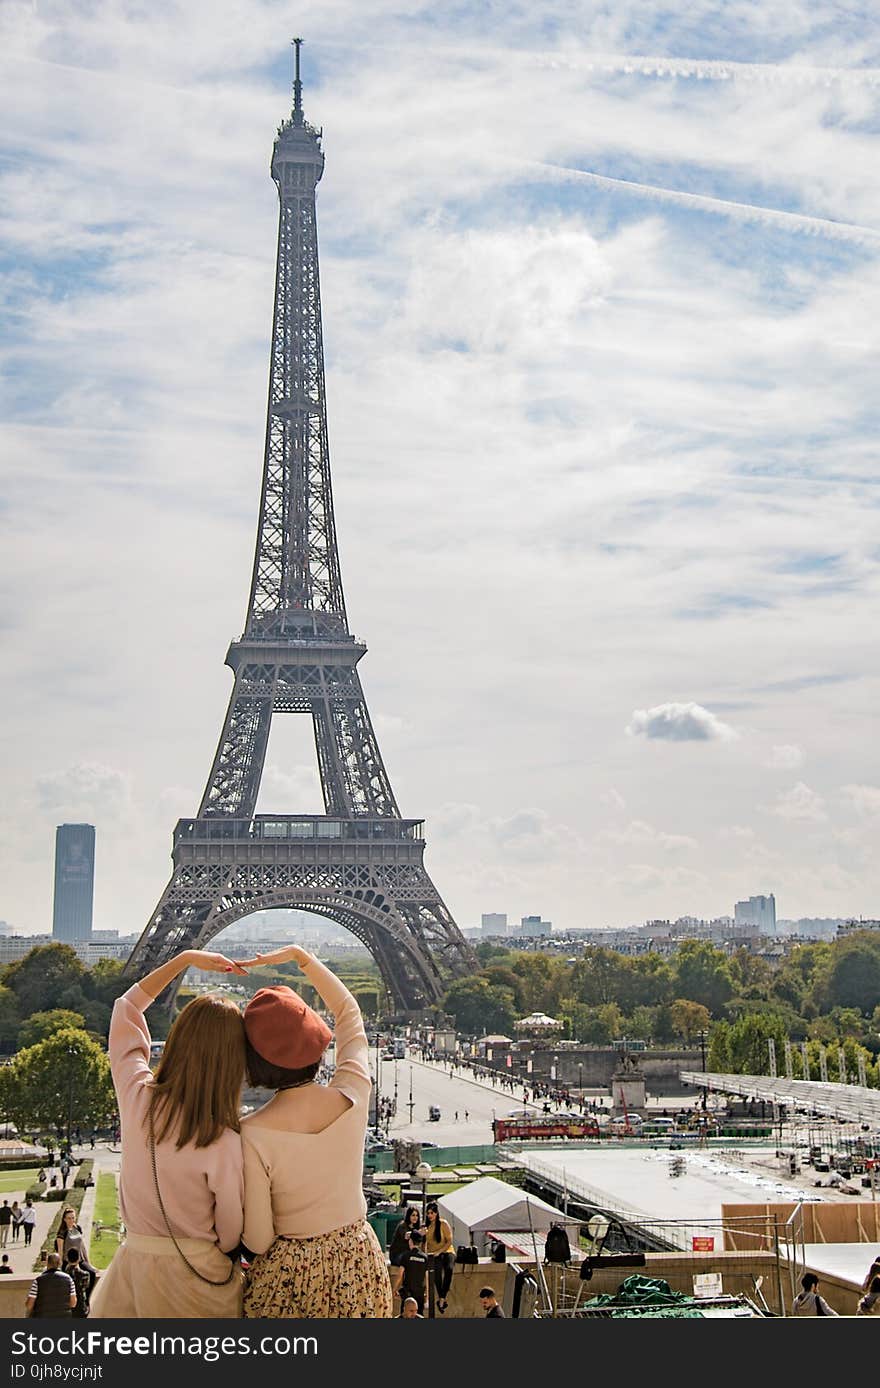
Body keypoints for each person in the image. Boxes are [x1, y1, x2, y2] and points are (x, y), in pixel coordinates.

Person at [89, 948, 248, 1319]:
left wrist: (184, 959)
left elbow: (126, 1008)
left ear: (177, 1041)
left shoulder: (137, 1098)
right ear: (233, 1062)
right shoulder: (223, 1142)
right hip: (199, 1278)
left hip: (135, 1270)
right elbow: (229, 1233)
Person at [239, 944, 393, 1319]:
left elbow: (258, 1239)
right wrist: (302, 958)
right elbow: (348, 1012)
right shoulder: (353, 1095)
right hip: (359, 1262)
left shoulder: (252, 1133)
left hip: (290, 1277)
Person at [55, 1207, 98, 1296]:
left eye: (73, 1218)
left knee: (92, 1273)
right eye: (69, 1218)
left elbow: (82, 1247)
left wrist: (89, 1263)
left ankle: (87, 1298)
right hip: (68, 1262)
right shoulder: (62, 1233)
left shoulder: (78, 1228)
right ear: (64, 1219)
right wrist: (60, 1266)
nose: (71, 1220)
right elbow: (60, 1251)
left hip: (80, 1260)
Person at [423, 1199, 455, 1313]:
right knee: (436, 1274)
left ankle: (442, 1298)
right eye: (428, 1213)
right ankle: (442, 1299)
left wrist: (441, 1251)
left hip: (447, 1251)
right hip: (434, 1255)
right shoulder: (427, 1227)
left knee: (449, 1269)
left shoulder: (443, 1223)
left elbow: (449, 1241)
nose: (430, 1215)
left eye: (432, 1213)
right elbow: (424, 1244)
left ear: (436, 1213)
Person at [26, 1252, 76, 1318]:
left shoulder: (38, 1280)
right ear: (60, 1264)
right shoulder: (69, 1279)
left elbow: (29, 1305)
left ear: (47, 1263)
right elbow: (73, 1303)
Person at [388, 1205, 421, 1296]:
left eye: (416, 1215)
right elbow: (406, 1235)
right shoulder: (402, 1226)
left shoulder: (416, 1228)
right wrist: (418, 1233)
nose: (415, 1218)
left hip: (408, 1254)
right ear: (408, 1216)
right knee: (409, 1261)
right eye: (413, 1215)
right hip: (397, 1255)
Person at [398, 1230, 429, 1316]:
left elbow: (400, 1275)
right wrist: (427, 1295)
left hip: (408, 1292)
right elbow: (427, 1278)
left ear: (410, 1241)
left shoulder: (406, 1256)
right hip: (420, 1293)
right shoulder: (425, 1258)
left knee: (405, 1315)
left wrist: (394, 1290)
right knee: (418, 1315)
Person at [64, 1248, 91, 1318]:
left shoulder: (64, 1275)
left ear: (67, 1259)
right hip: (81, 1307)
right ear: (78, 1258)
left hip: (68, 1308)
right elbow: (86, 1287)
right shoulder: (85, 1274)